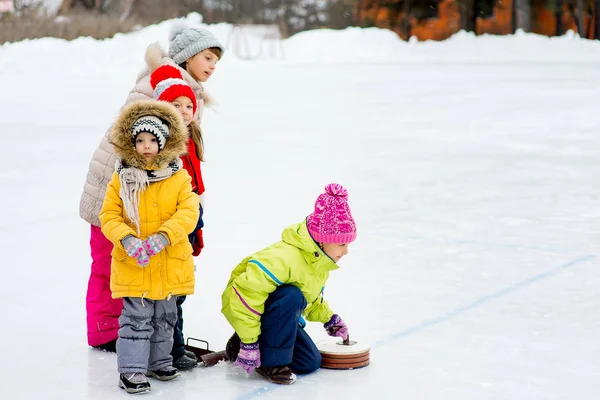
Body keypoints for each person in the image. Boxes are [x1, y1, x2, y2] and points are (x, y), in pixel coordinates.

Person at [80, 20, 223, 353]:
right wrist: (134, 184)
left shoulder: (185, 90)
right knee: (110, 260)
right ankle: (107, 331)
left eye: (217, 59)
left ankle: (146, 333)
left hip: (146, 190)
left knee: (147, 261)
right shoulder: (159, 84)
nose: (213, 66)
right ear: (188, 57)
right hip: (117, 184)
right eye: (207, 57)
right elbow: (132, 134)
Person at [99, 99, 199, 394]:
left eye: (152, 140)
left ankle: (160, 361)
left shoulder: (180, 177)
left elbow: (189, 212)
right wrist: (127, 239)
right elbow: (109, 215)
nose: (145, 146)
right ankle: (131, 371)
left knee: (165, 317)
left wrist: (165, 235)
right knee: (137, 319)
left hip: (169, 259)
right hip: (136, 261)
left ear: (163, 142)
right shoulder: (122, 179)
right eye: (139, 140)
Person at [221, 183, 357, 385]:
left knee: (309, 362)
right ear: (322, 240)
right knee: (291, 295)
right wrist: (249, 342)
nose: (345, 251)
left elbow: (309, 299)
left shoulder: (318, 262)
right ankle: (269, 362)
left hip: (278, 319)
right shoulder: (284, 258)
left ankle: (241, 344)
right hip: (246, 306)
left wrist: (329, 318)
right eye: (341, 244)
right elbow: (245, 297)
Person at [148, 62, 208, 370]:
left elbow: (196, 189)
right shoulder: (162, 144)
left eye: (189, 105)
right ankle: (169, 349)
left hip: (188, 219)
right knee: (170, 291)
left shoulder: (192, 138)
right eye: (176, 104)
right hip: (169, 225)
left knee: (180, 287)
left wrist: (196, 228)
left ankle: (174, 345)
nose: (184, 110)